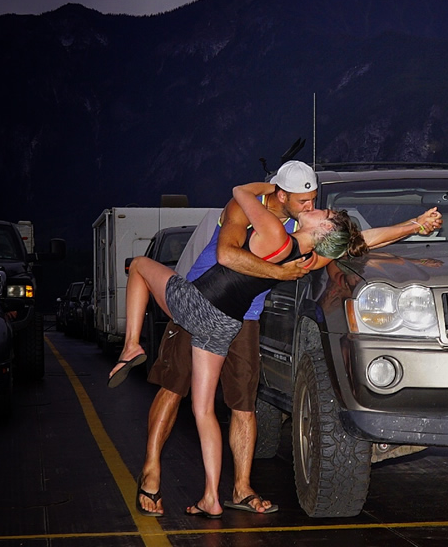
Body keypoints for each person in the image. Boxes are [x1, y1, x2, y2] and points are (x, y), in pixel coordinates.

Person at [127, 161, 443, 516]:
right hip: (203, 297)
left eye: (314, 201)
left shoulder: (304, 239)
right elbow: (227, 256)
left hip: (243, 317)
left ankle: (239, 488)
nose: (311, 205)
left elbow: (359, 240)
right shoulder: (249, 213)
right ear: (282, 193)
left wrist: (414, 225)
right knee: (173, 388)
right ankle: (151, 473)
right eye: (304, 200)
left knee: (242, 404)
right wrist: (280, 271)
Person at [110, 177, 368, 520]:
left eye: (320, 209)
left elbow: (238, 193)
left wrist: (273, 185)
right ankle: (210, 498)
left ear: (323, 228)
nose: (313, 207)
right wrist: (410, 226)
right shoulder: (305, 257)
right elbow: (360, 240)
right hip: (226, 324)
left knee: (139, 266)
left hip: (197, 304)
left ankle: (130, 346)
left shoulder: (276, 234)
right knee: (203, 412)